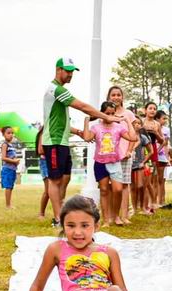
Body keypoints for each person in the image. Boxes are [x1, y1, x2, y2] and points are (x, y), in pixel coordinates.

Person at [14, 195, 149, 291]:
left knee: (115, 290)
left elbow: (122, 290)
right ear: (63, 225)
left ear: (96, 226)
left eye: (85, 225)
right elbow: (38, 285)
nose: (78, 232)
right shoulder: (56, 249)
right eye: (71, 226)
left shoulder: (109, 252)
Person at [42, 57, 116, 227]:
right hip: (53, 141)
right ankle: (58, 219)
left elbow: (59, 121)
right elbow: (83, 107)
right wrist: (106, 116)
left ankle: (61, 213)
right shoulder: (56, 89)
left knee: (64, 178)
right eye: (67, 71)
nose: (70, 75)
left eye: (72, 72)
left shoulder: (59, 91)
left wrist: (78, 132)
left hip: (62, 140)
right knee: (54, 180)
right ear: (58, 69)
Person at [81, 101, 137, 226]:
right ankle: (106, 220)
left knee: (117, 189)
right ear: (102, 113)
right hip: (100, 163)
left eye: (112, 113)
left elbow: (133, 138)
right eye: (107, 113)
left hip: (114, 163)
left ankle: (116, 216)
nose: (110, 116)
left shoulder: (118, 127)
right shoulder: (96, 127)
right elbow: (87, 138)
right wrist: (86, 121)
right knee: (104, 190)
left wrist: (127, 121)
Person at [107, 86, 137, 223]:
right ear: (109, 97)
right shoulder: (106, 114)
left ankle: (124, 216)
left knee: (125, 185)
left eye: (118, 95)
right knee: (110, 186)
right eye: (113, 95)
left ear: (122, 97)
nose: (116, 97)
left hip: (125, 155)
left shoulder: (128, 114)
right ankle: (111, 216)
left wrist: (129, 151)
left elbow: (133, 134)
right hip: (109, 155)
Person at [131, 117, 154, 215]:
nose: (137, 125)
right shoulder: (128, 136)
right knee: (132, 188)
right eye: (134, 123)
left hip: (140, 165)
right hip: (130, 165)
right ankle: (134, 208)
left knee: (141, 186)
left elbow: (151, 151)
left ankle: (143, 207)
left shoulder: (143, 137)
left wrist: (144, 162)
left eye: (139, 123)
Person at [0, 126, 20, 209]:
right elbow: (3, 158)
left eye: (12, 133)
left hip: (12, 169)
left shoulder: (10, 145)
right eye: (8, 133)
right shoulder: (4, 145)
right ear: (3, 135)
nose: (11, 135)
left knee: (11, 186)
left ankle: (9, 204)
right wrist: (14, 161)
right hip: (7, 169)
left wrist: (16, 161)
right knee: (8, 186)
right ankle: (7, 205)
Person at [35, 125, 52, 221]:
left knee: (53, 190)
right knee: (48, 190)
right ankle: (41, 213)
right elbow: (40, 150)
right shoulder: (44, 132)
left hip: (53, 162)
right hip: (45, 162)